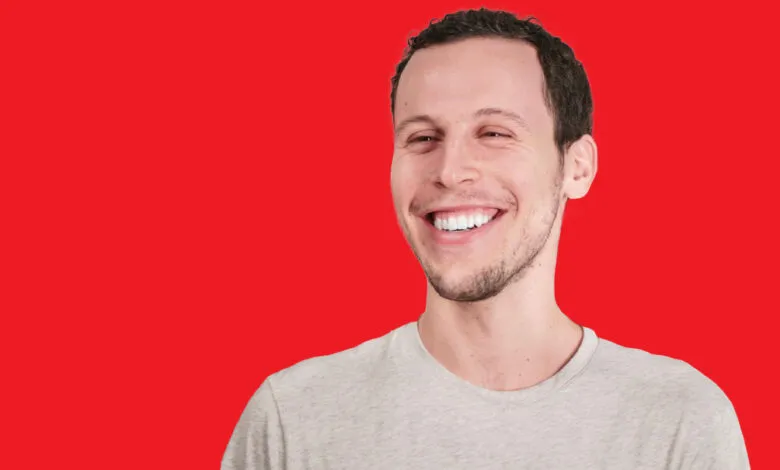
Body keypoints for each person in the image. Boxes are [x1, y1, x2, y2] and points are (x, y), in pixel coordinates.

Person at [222, 8, 750, 469]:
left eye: (495, 133)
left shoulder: (679, 421)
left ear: (577, 167)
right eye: (422, 138)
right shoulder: (293, 419)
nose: (450, 171)